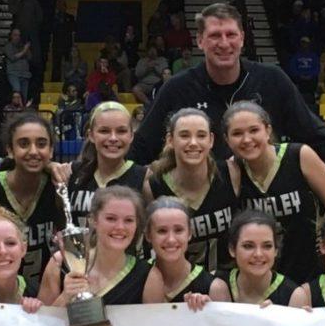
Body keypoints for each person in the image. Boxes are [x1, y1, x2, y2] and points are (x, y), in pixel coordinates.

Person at [129, 3, 325, 185]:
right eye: (214, 35)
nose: (224, 43)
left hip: (264, 203)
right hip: (205, 204)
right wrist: (112, 185)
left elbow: (318, 137)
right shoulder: (177, 89)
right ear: (200, 41)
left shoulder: (272, 79)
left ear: (242, 38)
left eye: (231, 35)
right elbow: (142, 147)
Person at [223, 101, 325, 284]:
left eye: (254, 130)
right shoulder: (232, 170)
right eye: (237, 133)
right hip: (258, 282)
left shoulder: (300, 156)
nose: (247, 139)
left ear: (268, 130)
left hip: (309, 276)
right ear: (227, 139)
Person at [0, 114, 65, 291]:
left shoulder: (58, 187)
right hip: (1, 293)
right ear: (10, 150)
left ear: (51, 150)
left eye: (41, 144)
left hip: (45, 291)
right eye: (24, 144)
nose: (33, 151)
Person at [39, 186, 165, 306]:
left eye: (128, 220)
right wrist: (65, 296)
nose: (120, 227)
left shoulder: (149, 276)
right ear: (93, 220)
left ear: (137, 224)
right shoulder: (60, 263)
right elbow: (39, 324)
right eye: (111, 218)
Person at [145, 108, 237, 271]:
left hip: (225, 283)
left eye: (201, 135)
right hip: (178, 286)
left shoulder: (231, 172)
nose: (193, 142)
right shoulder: (153, 186)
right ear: (170, 140)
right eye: (185, 135)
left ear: (211, 140)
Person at [65, 101, 146, 229]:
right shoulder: (72, 172)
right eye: (104, 131)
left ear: (131, 136)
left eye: (121, 131)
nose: (113, 138)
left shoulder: (144, 178)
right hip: (79, 249)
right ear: (90, 135)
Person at [145, 197, 230, 304]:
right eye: (162, 231)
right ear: (148, 235)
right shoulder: (136, 278)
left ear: (189, 233)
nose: (171, 239)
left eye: (178, 230)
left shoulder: (214, 288)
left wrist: (207, 311)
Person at [214, 209, 297, 306]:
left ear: (276, 250)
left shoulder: (294, 295)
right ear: (232, 250)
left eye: (267, 246)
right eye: (248, 246)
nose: (258, 254)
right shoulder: (213, 283)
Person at [4, 28, 32, 101]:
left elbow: (30, 57)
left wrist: (27, 49)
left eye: (19, 35)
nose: (17, 37)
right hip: (14, 73)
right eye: (15, 35)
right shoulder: (8, 46)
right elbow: (12, 57)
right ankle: (15, 109)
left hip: (25, 74)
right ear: (11, 36)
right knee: (17, 92)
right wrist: (24, 50)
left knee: (24, 97)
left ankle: (22, 109)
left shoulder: (23, 45)